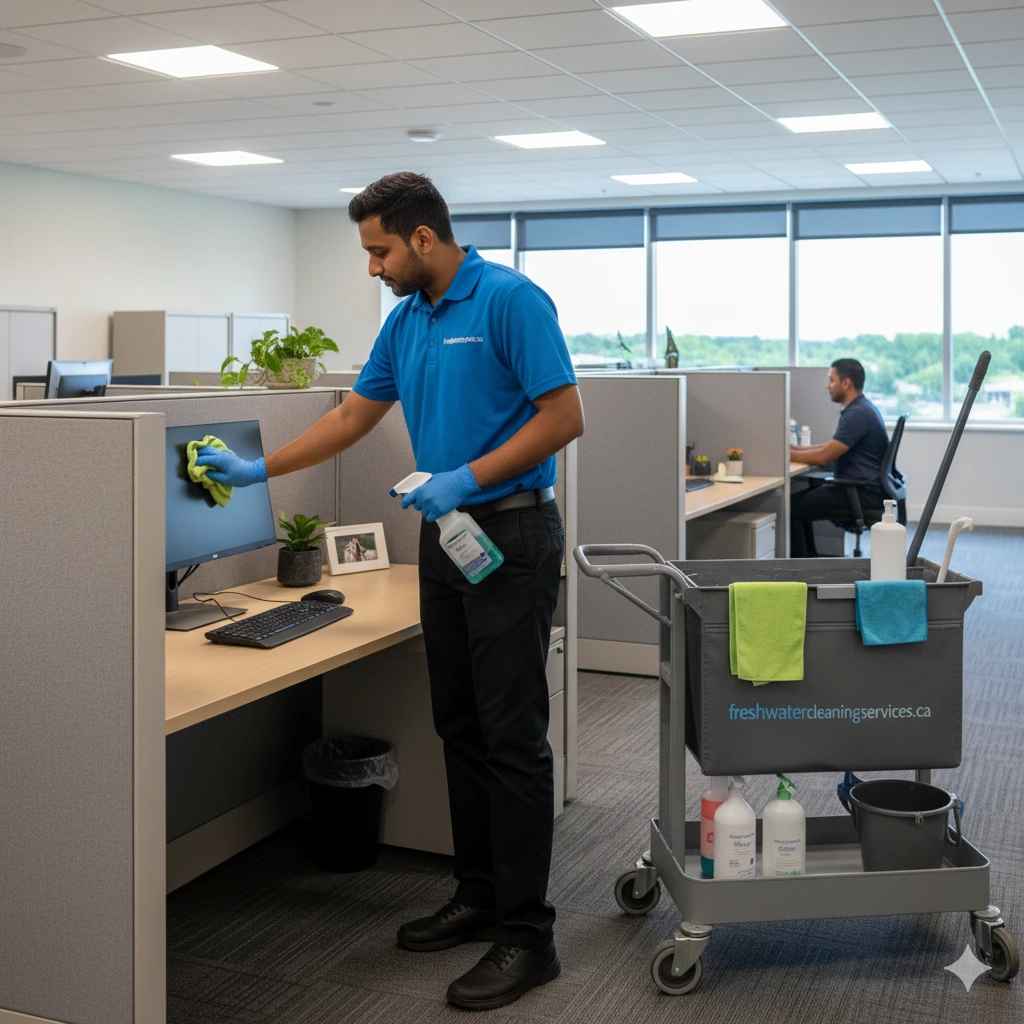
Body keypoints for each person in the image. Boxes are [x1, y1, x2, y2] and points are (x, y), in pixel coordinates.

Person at [194, 172, 584, 1011]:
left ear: (421, 238)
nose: (371, 267)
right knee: (461, 726)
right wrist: (259, 469)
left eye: (377, 250)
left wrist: (465, 478)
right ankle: (478, 896)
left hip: (510, 534)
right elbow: (350, 418)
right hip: (447, 540)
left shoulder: (512, 300)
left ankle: (528, 935)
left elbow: (562, 418)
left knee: (513, 736)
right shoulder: (407, 322)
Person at [789, 358, 889, 557]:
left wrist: (788, 454)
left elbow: (826, 456)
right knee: (802, 500)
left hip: (861, 492)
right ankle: (810, 560)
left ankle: (802, 568)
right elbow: (831, 446)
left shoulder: (857, 414)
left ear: (846, 383)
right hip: (861, 488)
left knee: (790, 509)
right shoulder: (862, 408)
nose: (828, 385)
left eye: (831, 380)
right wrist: (796, 449)